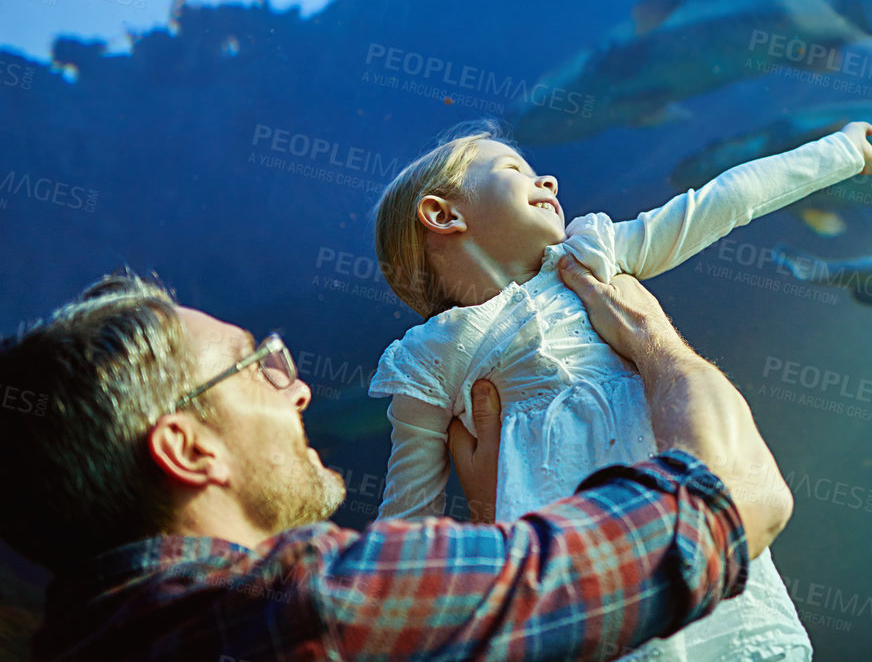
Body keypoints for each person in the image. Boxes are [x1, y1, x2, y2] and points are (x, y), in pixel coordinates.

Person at [0, 262, 792, 661]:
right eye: (261, 365)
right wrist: (649, 333)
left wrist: (499, 521)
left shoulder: (83, 637)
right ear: (186, 446)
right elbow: (732, 505)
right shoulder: (314, 603)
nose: (300, 389)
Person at [369, 117, 872, 662]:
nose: (547, 180)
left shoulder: (594, 255)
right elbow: (407, 516)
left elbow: (726, 199)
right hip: (568, 572)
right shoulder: (427, 356)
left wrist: (842, 152)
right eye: (513, 169)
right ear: (442, 214)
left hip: (681, 518)